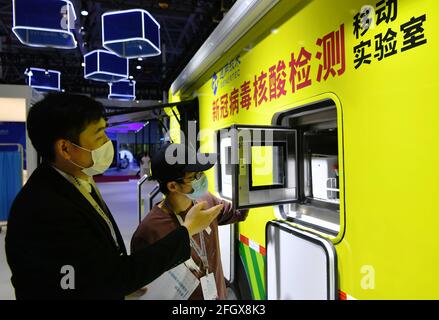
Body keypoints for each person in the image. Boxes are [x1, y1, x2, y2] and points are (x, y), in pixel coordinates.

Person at [5, 93, 223, 300]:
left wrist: (118, 286)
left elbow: (97, 271)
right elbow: (96, 277)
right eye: (99, 135)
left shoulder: (78, 180)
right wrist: (187, 232)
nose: (107, 142)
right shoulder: (45, 208)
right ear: (65, 148)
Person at [131, 143, 248, 300]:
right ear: (173, 186)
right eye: (195, 176)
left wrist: (248, 181)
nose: (202, 178)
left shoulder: (206, 200)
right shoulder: (149, 232)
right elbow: (144, 288)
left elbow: (237, 213)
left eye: (201, 173)